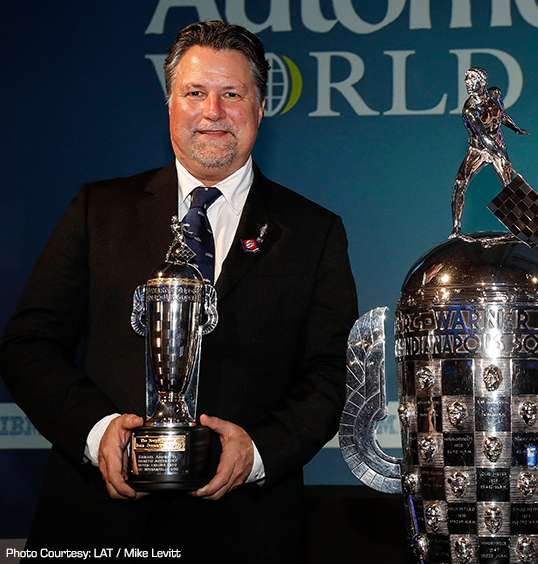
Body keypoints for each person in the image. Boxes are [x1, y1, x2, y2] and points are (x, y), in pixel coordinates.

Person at [0, 20, 358, 561]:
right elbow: (29, 344)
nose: (212, 111)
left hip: (245, 531)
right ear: (171, 105)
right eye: (195, 93)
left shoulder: (314, 231)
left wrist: (259, 451)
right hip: (96, 522)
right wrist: (98, 435)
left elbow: (334, 372)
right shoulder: (99, 210)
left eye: (232, 94)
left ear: (260, 108)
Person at [450, 67, 529, 237]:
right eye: (467, 81)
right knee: (460, 184)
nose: (468, 84)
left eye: (472, 80)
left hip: (497, 144)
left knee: (509, 184)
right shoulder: (470, 110)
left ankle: (521, 227)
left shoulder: (495, 95)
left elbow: (500, 116)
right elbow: (483, 135)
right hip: (478, 149)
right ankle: (456, 228)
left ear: (483, 82)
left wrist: (515, 129)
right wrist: (499, 154)